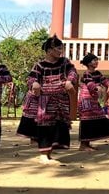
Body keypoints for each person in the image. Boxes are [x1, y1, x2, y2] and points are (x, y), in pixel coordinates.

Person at [28, 35, 78, 164]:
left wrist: (70, 81)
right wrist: (34, 84)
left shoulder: (64, 62)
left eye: (61, 48)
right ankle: (43, 155)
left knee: (58, 126)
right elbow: (32, 78)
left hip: (61, 100)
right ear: (49, 50)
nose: (60, 50)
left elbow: (72, 72)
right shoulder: (39, 65)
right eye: (58, 48)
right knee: (45, 126)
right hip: (46, 100)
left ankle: (49, 154)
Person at [78, 53, 109, 151]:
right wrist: (97, 88)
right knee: (86, 121)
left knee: (95, 119)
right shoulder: (86, 74)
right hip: (85, 100)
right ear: (89, 63)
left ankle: (87, 143)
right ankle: (83, 145)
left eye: (97, 60)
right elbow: (90, 84)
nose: (97, 62)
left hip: (93, 100)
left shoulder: (98, 73)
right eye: (94, 60)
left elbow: (105, 80)